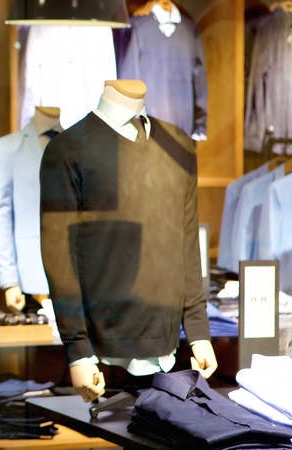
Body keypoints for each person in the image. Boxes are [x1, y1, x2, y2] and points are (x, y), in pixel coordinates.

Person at [39, 79, 217, 403]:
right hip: (103, 361)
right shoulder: (68, 149)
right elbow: (59, 259)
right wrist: (78, 350)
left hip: (172, 354)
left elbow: (187, 243)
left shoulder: (179, 144)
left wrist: (198, 331)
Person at [0, 105, 62, 312]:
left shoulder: (76, 146)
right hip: (30, 277)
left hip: (74, 278)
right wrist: (10, 280)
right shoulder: (8, 148)